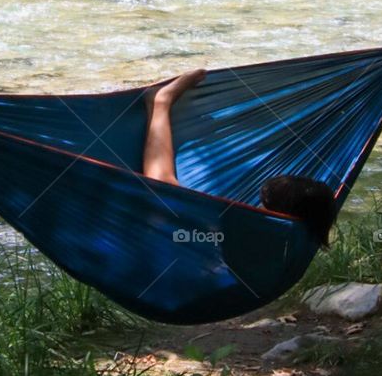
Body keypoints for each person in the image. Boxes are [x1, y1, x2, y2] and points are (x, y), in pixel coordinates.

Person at [143, 69, 337, 247]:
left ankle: (161, 104)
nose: (258, 208)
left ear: (283, 217)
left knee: (164, 192)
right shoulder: (308, 235)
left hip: (197, 250)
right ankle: (157, 108)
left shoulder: (254, 234)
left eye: (264, 206)